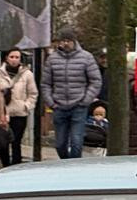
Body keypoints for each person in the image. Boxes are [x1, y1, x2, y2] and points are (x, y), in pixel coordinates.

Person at [42, 27, 101, 159]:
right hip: (59, 106)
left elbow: (96, 81)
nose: (66, 43)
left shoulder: (86, 57)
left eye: (69, 40)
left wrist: (86, 100)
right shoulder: (52, 59)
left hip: (78, 106)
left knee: (76, 142)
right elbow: (46, 83)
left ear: (74, 41)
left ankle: (74, 167)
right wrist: (51, 102)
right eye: (63, 40)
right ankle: (65, 163)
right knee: (60, 144)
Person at [0, 47, 38, 166]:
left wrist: (26, 106)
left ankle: (16, 166)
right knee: (3, 142)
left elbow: (33, 93)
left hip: (20, 113)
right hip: (4, 113)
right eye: (12, 57)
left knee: (16, 141)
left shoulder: (27, 74)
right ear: (6, 58)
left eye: (17, 57)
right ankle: (5, 166)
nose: (14, 60)